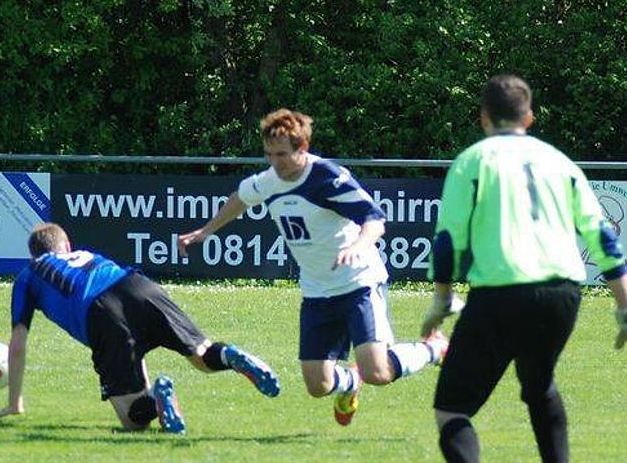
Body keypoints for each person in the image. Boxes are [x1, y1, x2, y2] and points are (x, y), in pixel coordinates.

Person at [422, 74, 627, 463]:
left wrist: (442, 299)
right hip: (561, 295)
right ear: (530, 117)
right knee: (539, 386)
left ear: (483, 117)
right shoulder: (560, 162)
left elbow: (446, 242)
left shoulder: (473, 161)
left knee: (452, 409)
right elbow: (604, 239)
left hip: (500, 293)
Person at [178, 108, 448, 426]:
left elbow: (375, 220)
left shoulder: (328, 178)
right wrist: (206, 230)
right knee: (317, 386)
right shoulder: (269, 180)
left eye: (281, 155)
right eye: (268, 155)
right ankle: (349, 383)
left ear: (302, 149)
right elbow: (240, 197)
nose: (274, 162)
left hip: (358, 281)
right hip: (318, 290)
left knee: (377, 372)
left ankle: (434, 348)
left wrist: (356, 247)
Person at [0, 222, 280, 434]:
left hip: (98, 311)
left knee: (132, 421)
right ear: (66, 247)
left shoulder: (29, 275)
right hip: (137, 285)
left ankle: (154, 400)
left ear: (33, 253)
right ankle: (229, 356)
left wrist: (15, 402)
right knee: (202, 356)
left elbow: (19, 343)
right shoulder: (86, 254)